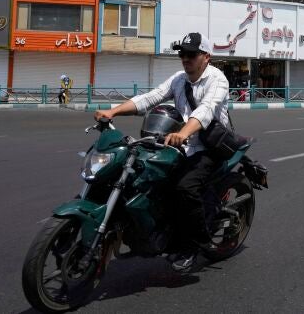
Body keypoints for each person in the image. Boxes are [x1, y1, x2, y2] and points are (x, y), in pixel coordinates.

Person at [96, 32, 231, 273]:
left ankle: (194, 245)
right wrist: (112, 111)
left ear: (206, 57)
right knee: (146, 176)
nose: (185, 58)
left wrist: (185, 132)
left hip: (209, 146)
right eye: (182, 54)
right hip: (180, 144)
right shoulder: (179, 79)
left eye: (191, 54)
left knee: (185, 188)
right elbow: (150, 98)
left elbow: (206, 110)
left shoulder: (217, 79)